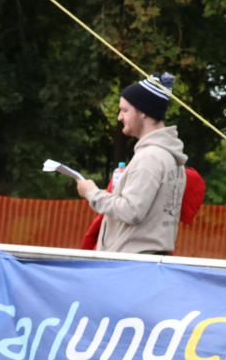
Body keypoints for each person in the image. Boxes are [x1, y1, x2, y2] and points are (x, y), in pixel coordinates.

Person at [76, 74, 188, 255]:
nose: (119, 117)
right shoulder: (169, 157)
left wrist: (92, 193)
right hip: (147, 264)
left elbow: (131, 211)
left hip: (133, 265)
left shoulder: (149, 158)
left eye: (125, 110)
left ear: (142, 111)